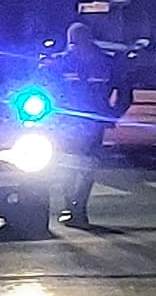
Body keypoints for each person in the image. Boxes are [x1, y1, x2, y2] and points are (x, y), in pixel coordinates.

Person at [42, 21, 122, 228]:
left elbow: (45, 90)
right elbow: (125, 93)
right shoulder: (105, 62)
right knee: (84, 167)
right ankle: (77, 208)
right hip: (87, 122)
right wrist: (112, 115)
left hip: (70, 122)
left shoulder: (62, 62)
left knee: (72, 166)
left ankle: (74, 207)